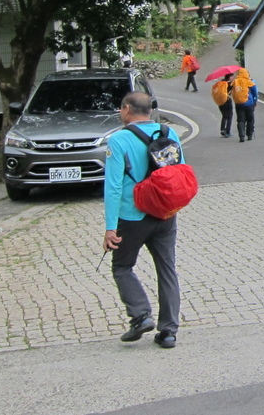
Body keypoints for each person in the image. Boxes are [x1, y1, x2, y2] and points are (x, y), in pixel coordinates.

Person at [102, 91, 181, 349]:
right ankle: (168, 331)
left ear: (127, 109)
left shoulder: (119, 140)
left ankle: (140, 315)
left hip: (132, 216)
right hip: (165, 214)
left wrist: (110, 227)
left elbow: (113, 187)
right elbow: (180, 174)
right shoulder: (170, 134)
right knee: (167, 269)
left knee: (122, 267)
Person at [231, 67, 257, 142]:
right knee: (250, 120)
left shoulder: (235, 81)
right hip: (249, 103)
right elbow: (255, 92)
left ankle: (241, 136)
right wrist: (255, 102)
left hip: (239, 104)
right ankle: (249, 135)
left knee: (240, 120)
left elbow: (232, 89)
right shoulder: (249, 81)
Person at [212, 73, 235, 138]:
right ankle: (228, 131)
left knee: (224, 116)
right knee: (229, 116)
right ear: (229, 77)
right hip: (227, 101)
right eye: (232, 76)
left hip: (220, 101)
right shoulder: (229, 84)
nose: (233, 78)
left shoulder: (220, 83)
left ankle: (222, 129)